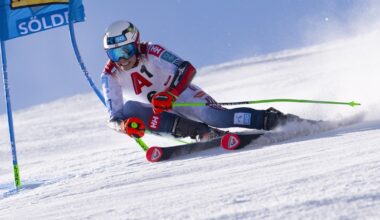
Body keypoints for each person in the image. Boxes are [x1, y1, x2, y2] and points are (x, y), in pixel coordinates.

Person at [101, 20, 301, 141]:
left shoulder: (152, 51)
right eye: (114, 55)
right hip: (160, 112)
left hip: (182, 96)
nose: (122, 60)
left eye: (125, 51)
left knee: (218, 118)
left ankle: (276, 120)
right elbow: (114, 118)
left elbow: (186, 69)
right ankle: (203, 133)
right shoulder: (110, 75)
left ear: (135, 44)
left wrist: (171, 93)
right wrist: (124, 126)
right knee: (130, 110)